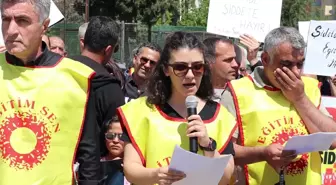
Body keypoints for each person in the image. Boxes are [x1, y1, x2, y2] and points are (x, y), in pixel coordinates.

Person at [0, 0, 101, 184]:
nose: (11, 30)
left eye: (22, 20)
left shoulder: (74, 78)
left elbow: (89, 155)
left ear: (44, 26)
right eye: (5, 19)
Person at [117, 32, 236, 185]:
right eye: (180, 67)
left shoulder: (220, 116)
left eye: (198, 67)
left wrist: (208, 147)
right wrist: (156, 174)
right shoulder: (140, 111)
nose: (190, 75)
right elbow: (131, 169)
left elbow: (227, 177)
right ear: (166, 70)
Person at [223, 27, 336, 185]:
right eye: (287, 64)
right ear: (265, 59)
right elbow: (221, 151)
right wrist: (262, 153)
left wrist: (300, 98)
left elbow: (332, 140)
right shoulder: (237, 92)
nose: (296, 73)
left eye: (300, 64)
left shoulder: (309, 88)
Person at [71, 16, 125, 131]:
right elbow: (115, 135)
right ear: (108, 49)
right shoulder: (110, 88)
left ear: (84, 41)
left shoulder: (57, 69)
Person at [100, 116, 130, 185]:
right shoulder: (94, 164)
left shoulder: (135, 165)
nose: (115, 141)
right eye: (110, 136)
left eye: (121, 136)